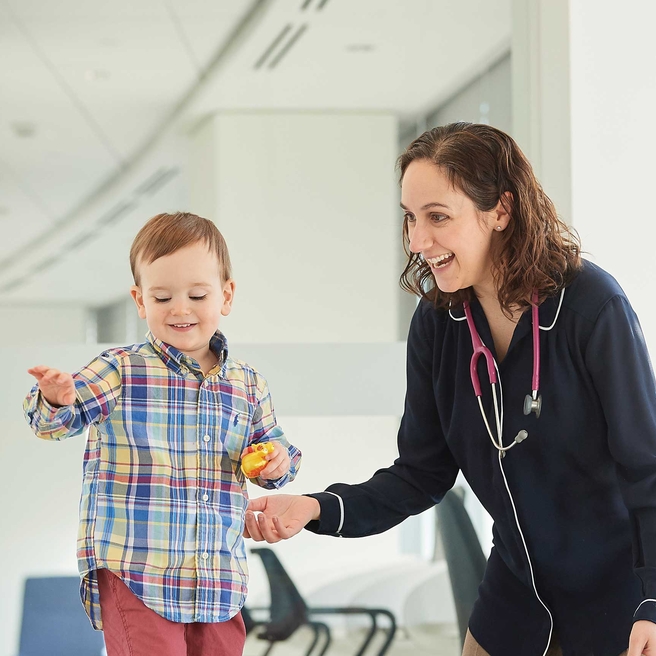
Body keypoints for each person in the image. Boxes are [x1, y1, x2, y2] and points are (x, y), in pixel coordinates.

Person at [244, 123, 656, 656]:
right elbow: (422, 472)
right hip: (516, 594)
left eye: (438, 217)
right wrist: (315, 508)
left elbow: (646, 467)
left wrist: (654, 600)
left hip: (619, 599)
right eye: (411, 218)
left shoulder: (590, 308)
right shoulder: (439, 323)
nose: (418, 241)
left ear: (501, 211)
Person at [23, 212, 302, 656]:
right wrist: (57, 399)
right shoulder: (120, 369)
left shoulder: (248, 384)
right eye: (162, 296)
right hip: (137, 573)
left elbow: (275, 453)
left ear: (226, 295)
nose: (180, 308)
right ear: (140, 301)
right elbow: (56, 424)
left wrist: (278, 461)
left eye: (196, 294)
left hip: (217, 580)